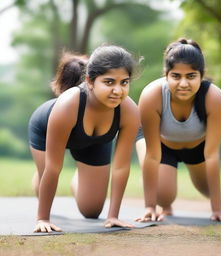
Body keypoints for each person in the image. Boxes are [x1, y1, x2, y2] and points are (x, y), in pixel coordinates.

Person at [28, 45, 140, 232]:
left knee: (92, 210)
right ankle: (38, 177)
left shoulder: (129, 110)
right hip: (45, 131)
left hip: (94, 142)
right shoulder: (68, 104)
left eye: (124, 82)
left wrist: (113, 216)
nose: (118, 90)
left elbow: (121, 166)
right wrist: (43, 219)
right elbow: (54, 167)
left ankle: (80, 176)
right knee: (47, 174)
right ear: (90, 81)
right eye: (109, 82)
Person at [135, 38, 221, 223]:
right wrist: (150, 206)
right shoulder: (152, 95)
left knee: (207, 190)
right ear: (166, 75)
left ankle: (185, 176)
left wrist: (217, 209)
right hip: (160, 146)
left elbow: (212, 154)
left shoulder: (214, 98)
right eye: (176, 76)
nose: (183, 83)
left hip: (197, 147)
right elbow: (152, 155)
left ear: (201, 75)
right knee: (163, 195)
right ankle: (163, 200)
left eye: (190, 76)